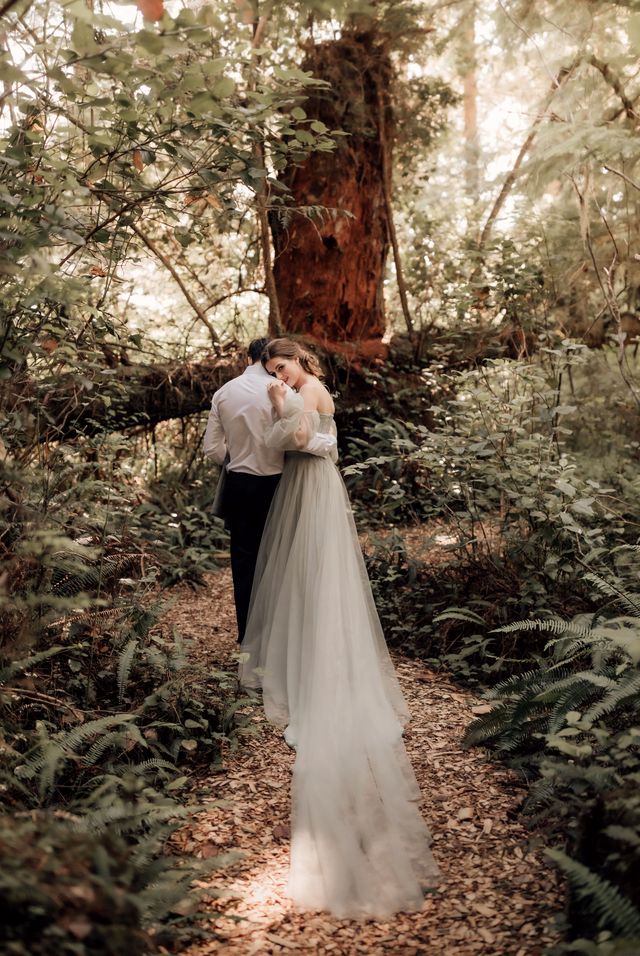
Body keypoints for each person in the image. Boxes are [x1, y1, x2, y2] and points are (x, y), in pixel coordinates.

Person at [239, 337, 439, 919]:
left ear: (303, 362)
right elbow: (295, 443)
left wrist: (280, 411)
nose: (280, 374)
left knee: (319, 575)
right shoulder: (299, 391)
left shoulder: (312, 390)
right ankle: (302, 651)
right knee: (299, 576)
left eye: (285, 366)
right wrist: (281, 411)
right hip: (302, 489)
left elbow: (300, 442)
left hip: (313, 489)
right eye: (273, 370)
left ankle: (323, 660)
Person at [203, 338, 336, 642]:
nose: (278, 373)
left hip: (240, 484)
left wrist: (238, 457)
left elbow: (212, 449)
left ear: (246, 358)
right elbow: (312, 437)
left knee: (244, 562)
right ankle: (281, 642)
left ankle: (248, 641)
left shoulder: (225, 393)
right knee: (281, 562)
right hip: (280, 482)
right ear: (265, 360)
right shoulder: (288, 391)